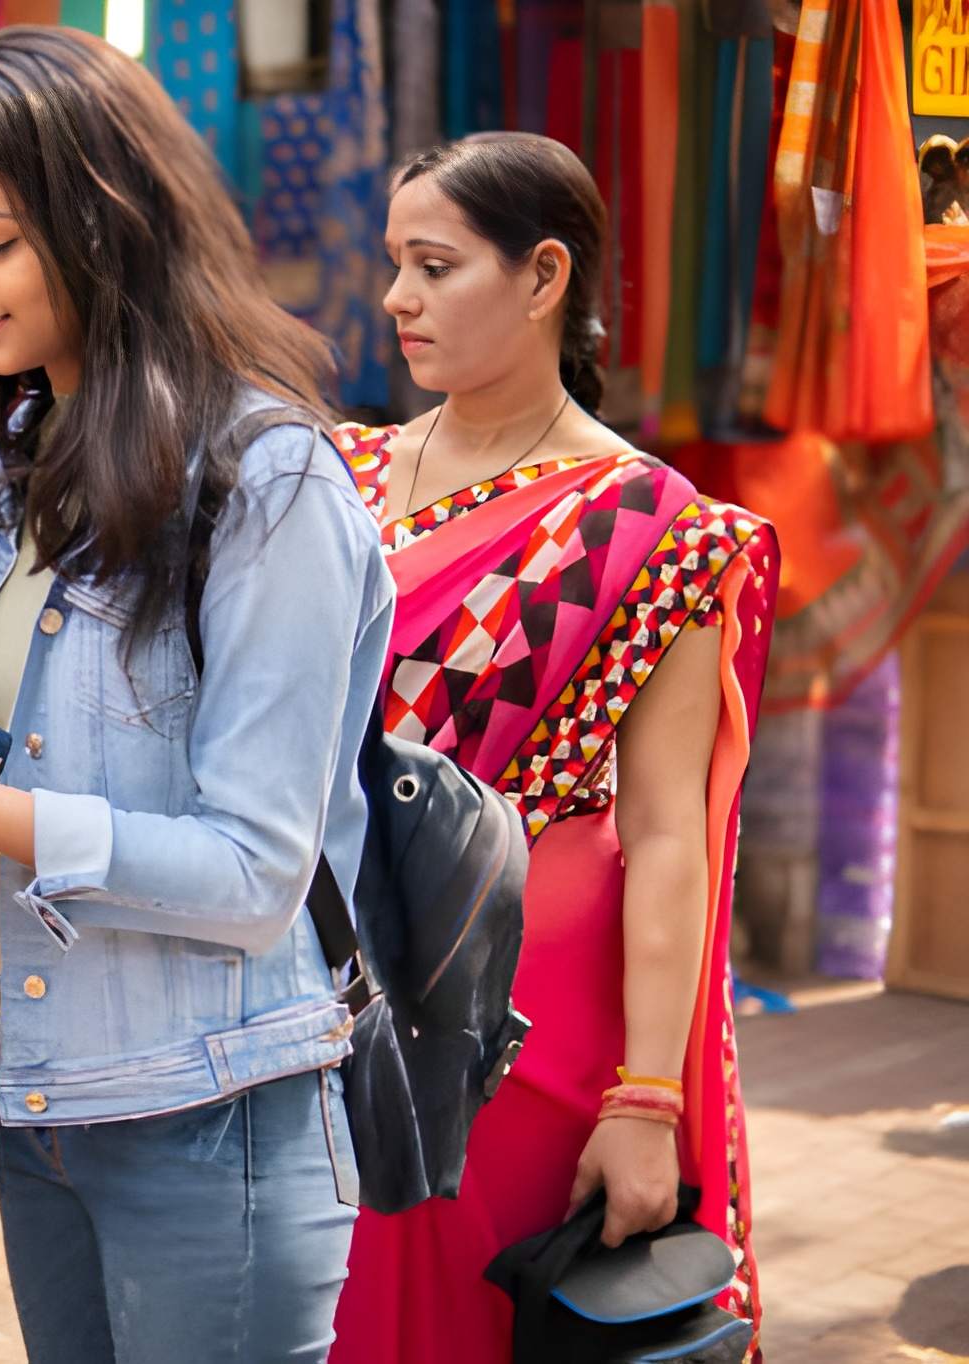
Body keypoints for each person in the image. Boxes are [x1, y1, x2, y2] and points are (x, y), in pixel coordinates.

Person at [0, 25, 394, 1364]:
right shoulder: (37, 444)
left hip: (212, 1115)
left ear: (103, 221)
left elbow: (249, 873)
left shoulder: (267, 482)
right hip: (49, 1102)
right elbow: (69, 717)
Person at [319, 133, 776, 1361]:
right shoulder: (338, 477)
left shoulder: (655, 526)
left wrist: (644, 1099)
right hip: (316, 979)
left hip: (515, 1013)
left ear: (541, 278)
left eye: (431, 265)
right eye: (391, 265)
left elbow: (666, 828)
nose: (395, 299)